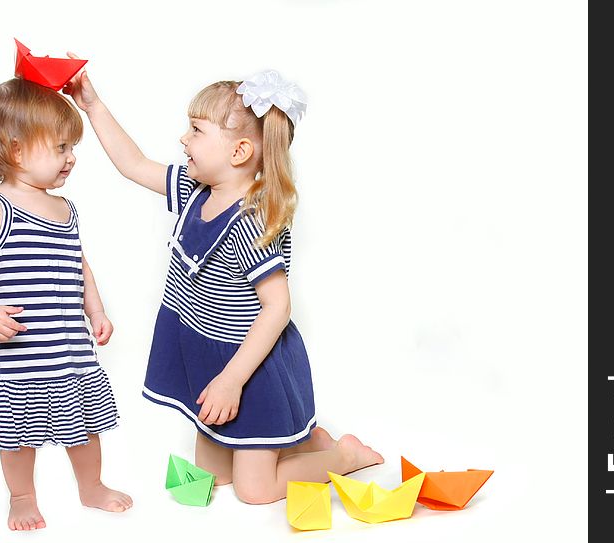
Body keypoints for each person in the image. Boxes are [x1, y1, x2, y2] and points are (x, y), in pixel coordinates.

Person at [64, 66, 383, 504]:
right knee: (216, 479)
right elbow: (134, 165)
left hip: (248, 367)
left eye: (195, 131)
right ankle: (303, 441)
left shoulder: (249, 221)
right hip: (207, 352)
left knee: (255, 491)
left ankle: (340, 458)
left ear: (239, 151)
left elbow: (277, 308)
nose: (183, 140)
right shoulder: (197, 189)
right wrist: (93, 106)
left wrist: (232, 381)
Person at [0, 77, 132, 530]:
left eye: (72, 146)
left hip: (68, 349)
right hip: (17, 353)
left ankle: (92, 487)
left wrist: (97, 311)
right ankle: (21, 496)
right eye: (60, 147)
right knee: (14, 436)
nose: (71, 157)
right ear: (15, 151)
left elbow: (80, 266)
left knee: (86, 426)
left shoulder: (65, 209)